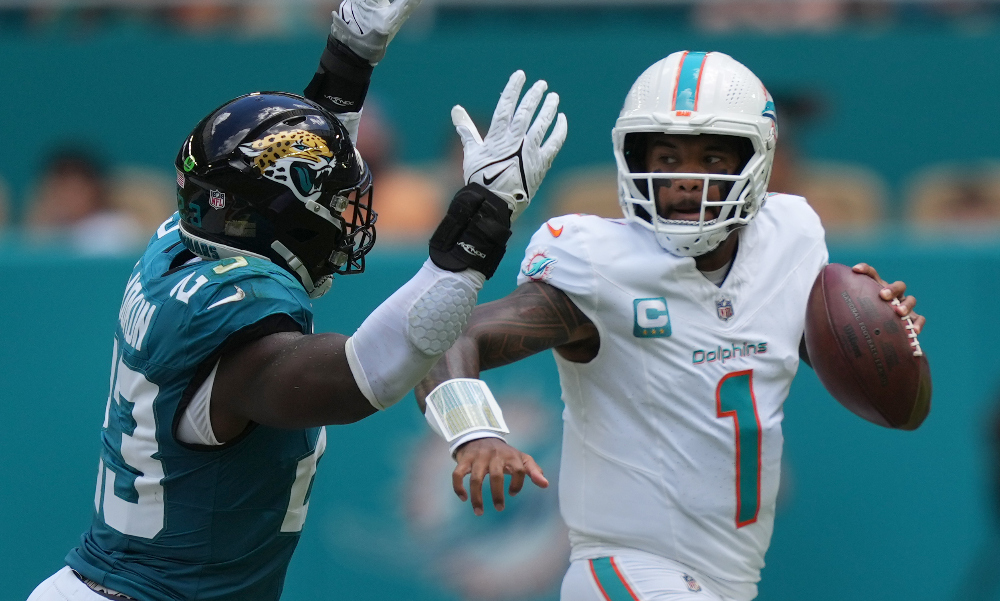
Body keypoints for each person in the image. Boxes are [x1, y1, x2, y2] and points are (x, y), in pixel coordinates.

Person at [25, 1, 567, 599]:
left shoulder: (179, 244)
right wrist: (483, 220)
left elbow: (284, 176)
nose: (344, 221)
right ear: (283, 217)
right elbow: (370, 372)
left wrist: (350, 56)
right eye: (333, 208)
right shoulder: (238, 328)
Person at [416, 50, 926, 601]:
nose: (687, 181)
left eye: (711, 157)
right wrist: (475, 432)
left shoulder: (791, 238)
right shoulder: (597, 263)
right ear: (634, 160)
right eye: (667, 156)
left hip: (727, 581)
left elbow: (895, 404)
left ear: (755, 161)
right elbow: (450, 333)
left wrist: (881, 338)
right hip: (625, 568)